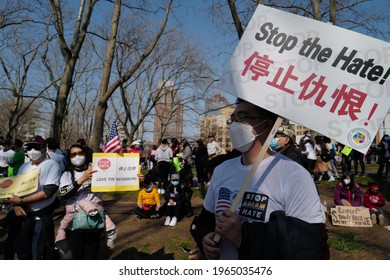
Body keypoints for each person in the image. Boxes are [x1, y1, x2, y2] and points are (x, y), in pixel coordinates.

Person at [192, 99, 328, 260]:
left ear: (266, 125)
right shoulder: (222, 170)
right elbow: (206, 219)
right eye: (233, 118)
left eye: (243, 117)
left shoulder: (294, 175)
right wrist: (204, 238)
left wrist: (244, 238)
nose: (235, 124)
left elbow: (310, 246)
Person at [55, 144, 117, 259]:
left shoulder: (98, 171)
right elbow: (63, 194)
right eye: (73, 154)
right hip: (73, 223)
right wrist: (82, 178)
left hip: (94, 219)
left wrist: (135, 177)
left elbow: (118, 180)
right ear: (69, 157)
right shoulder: (67, 174)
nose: (77, 156)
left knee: (92, 255)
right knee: (78, 256)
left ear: (86, 154)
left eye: (80, 153)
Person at [8, 136, 62, 259]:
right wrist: (16, 205)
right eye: (29, 147)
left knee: (38, 253)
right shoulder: (24, 167)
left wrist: (21, 201)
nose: (32, 150)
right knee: (22, 253)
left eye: (36, 147)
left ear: (44, 149)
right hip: (23, 216)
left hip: (41, 217)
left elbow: (48, 191)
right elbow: (15, 188)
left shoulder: (51, 165)